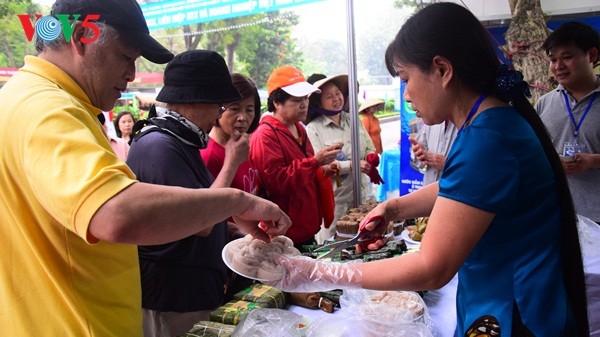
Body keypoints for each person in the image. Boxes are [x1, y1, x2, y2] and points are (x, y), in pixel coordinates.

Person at [267, 3, 589, 336]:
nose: (407, 95)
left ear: (442, 70)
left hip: (516, 313)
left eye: (407, 79)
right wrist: (395, 207)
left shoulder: (488, 137)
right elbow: (464, 187)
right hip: (505, 301)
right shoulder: (492, 122)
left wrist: (322, 272)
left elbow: (432, 266)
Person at [0, 0, 291, 336]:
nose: (133, 74)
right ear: (81, 36)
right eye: (126, 56)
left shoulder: (20, 98)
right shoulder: (48, 109)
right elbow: (117, 214)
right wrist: (239, 201)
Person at [250, 65, 340, 248]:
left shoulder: (299, 128)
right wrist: (315, 162)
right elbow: (277, 182)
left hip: (306, 228)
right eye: (296, 99)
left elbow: (304, 169)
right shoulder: (265, 135)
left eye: (305, 98)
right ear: (276, 102)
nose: (304, 104)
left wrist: (323, 168)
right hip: (285, 234)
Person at [535, 21, 600, 224]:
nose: (558, 67)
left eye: (567, 57)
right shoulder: (544, 103)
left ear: (591, 56)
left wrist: (593, 161)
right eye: (553, 60)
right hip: (558, 214)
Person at [305, 74, 381, 243]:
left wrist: (371, 158)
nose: (336, 99)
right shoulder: (313, 129)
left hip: (362, 198)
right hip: (335, 204)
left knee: (363, 244)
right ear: (318, 102)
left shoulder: (354, 120)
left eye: (338, 93)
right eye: (329, 96)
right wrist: (352, 165)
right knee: (334, 248)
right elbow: (319, 166)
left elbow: (369, 147)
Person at [201, 73, 261, 195]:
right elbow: (208, 206)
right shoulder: (208, 155)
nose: (242, 118)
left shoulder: (242, 147)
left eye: (249, 110)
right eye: (235, 109)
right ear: (218, 109)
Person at [409, 120, 457, 186]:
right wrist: (420, 154)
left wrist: (449, 164)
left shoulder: (469, 124)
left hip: (454, 192)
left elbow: (473, 170)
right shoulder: (430, 122)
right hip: (428, 189)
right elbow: (416, 160)